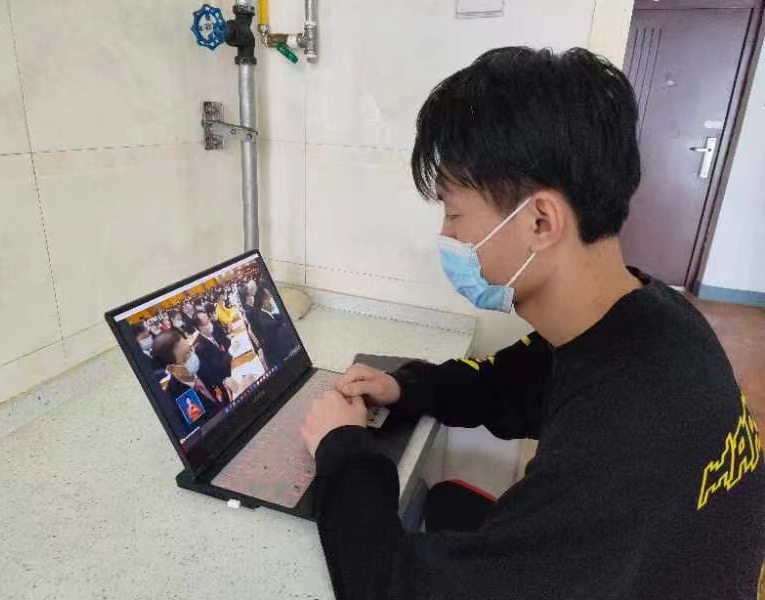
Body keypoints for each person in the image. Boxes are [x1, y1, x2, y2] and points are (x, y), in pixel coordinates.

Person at [300, 47, 765, 600]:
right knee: (444, 502)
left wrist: (342, 448)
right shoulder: (648, 318)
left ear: (541, 221)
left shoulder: (626, 437)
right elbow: (512, 385)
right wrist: (406, 387)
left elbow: (390, 588)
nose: (446, 237)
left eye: (453, 212)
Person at [151, 329, 223, 436]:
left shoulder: (202, 365)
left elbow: (221, 386)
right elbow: (207, 428)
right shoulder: (177, 399)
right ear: (171, 368)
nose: (192, 357)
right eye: (186, 357)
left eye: (190, 350)